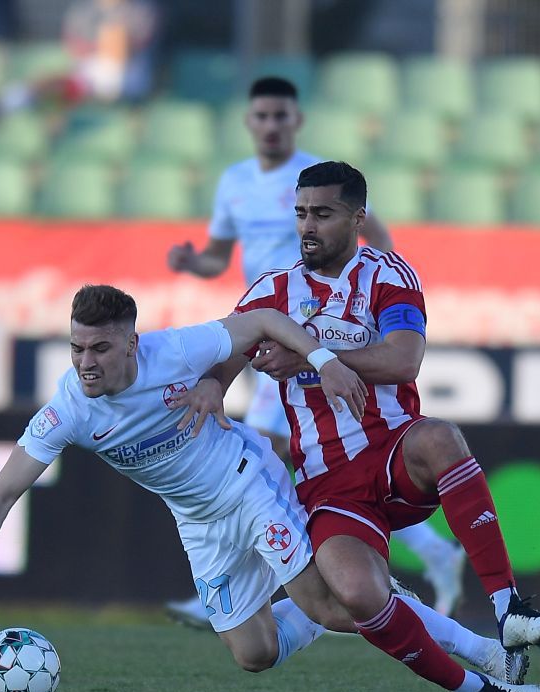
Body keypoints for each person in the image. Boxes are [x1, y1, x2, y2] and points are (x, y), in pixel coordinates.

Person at [0, 284, 540, 692]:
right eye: (76, 348)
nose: (85, 362)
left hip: (247, 479)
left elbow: (261, 321)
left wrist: (319, 359)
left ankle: (484, 656)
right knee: (255, 654)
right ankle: (381, 595)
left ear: (131, 342)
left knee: (334, 608)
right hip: (198, 521)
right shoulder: (69, 409)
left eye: (99, 348)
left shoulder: (174, 350)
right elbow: (2, 491)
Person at [180, 162, 540, 681]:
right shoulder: (270, 293)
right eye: (300, 214)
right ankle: (485, 664)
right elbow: (221, 368)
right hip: (328, 484)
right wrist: (210, 389)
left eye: (323, 213)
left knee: (440, 437)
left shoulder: (388, 274)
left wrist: (312, 356)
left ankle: (508, 608)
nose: (308, 227)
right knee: (358, 596)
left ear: (358, 217)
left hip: (392, 453)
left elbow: (404, 360)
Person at [164, 76, 466, 624]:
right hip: (265, 328)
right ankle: (412, 560)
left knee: (274, 456)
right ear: (249, 123)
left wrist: (362, 307)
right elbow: (218, 258)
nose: (272, 125)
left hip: (316, 334)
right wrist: (194, 265)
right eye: (262, 116)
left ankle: (243, 585)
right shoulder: (234, 183)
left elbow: (376, 240)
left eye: (282, 115)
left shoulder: (320, 178)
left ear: (296, 120)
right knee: (288, 464)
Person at [0, 0, 158, 115]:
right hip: (91, 70)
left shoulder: (141, 9)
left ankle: (22, 97)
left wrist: (112, 40)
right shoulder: (86, 8)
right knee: (65, 82)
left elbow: (142, 41)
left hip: (129, 73)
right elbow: (72, 41)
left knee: (112, 38)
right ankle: (20, 97)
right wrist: (96, 47)